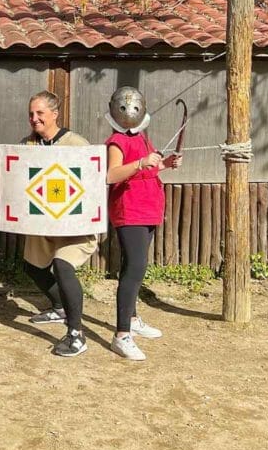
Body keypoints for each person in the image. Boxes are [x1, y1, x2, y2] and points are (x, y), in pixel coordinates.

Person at [19, 91, 99, 358]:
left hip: (74, 226)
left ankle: (76, 334)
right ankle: (59, 306)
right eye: (31, 113)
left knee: (62, 267)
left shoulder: (77, 144)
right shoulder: (27, 146)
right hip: (44, 224)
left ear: (55, 114)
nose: (34, 118)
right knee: (32, 266)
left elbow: (93, 182)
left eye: (40, 113)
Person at [105, 85, 181, 361]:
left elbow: (149, 169)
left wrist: (165, 164)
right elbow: (111, 175)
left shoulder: (142, 138)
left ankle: (133, 319)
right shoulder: (117, 141)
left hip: (148, 209)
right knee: (135, 269)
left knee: (134, 267)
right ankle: (122, 335)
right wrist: (140, 163)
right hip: (130, 211)